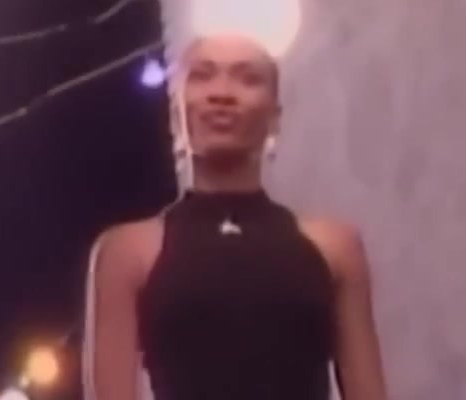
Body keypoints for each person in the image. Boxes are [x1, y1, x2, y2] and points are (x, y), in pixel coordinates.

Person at [82, 33, 387, 400]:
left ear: (274, 117)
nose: (222, 93)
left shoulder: (335, 246)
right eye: (203, 75)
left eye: (247, 78)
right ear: (176, 113)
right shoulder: (129, 252)